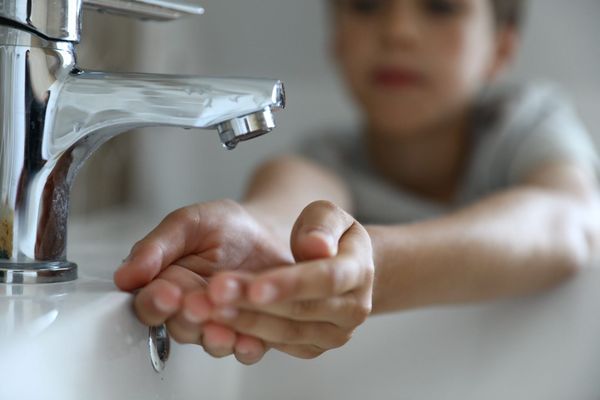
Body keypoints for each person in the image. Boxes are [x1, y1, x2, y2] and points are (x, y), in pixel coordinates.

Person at [114, 0, 600, 366]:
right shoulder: (326, 159)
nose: (398, 31)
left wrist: (374, 267)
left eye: (440, 7)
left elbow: (566, 221)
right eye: (367, 5)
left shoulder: (526, 124)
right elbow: (282, 209)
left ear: (501, 48)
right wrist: (261, 232)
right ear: (337, 40)